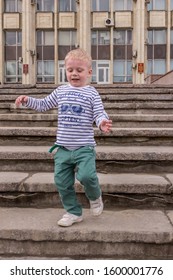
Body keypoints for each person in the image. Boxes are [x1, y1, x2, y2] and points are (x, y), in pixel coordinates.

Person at [15, 48, 112, 227]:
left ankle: (95, 197)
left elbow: (99, 113)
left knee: (87, 176)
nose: (74, 73)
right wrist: (27, 100)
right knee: (62, 182)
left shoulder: (92, 93)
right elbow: (44, 104)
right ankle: (73, 212)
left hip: (84, 148)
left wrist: (102, 122)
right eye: (70, 70)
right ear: (65, 71)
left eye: (79, 70)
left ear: (89, 72)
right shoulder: (61, 91)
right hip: (63, 149)